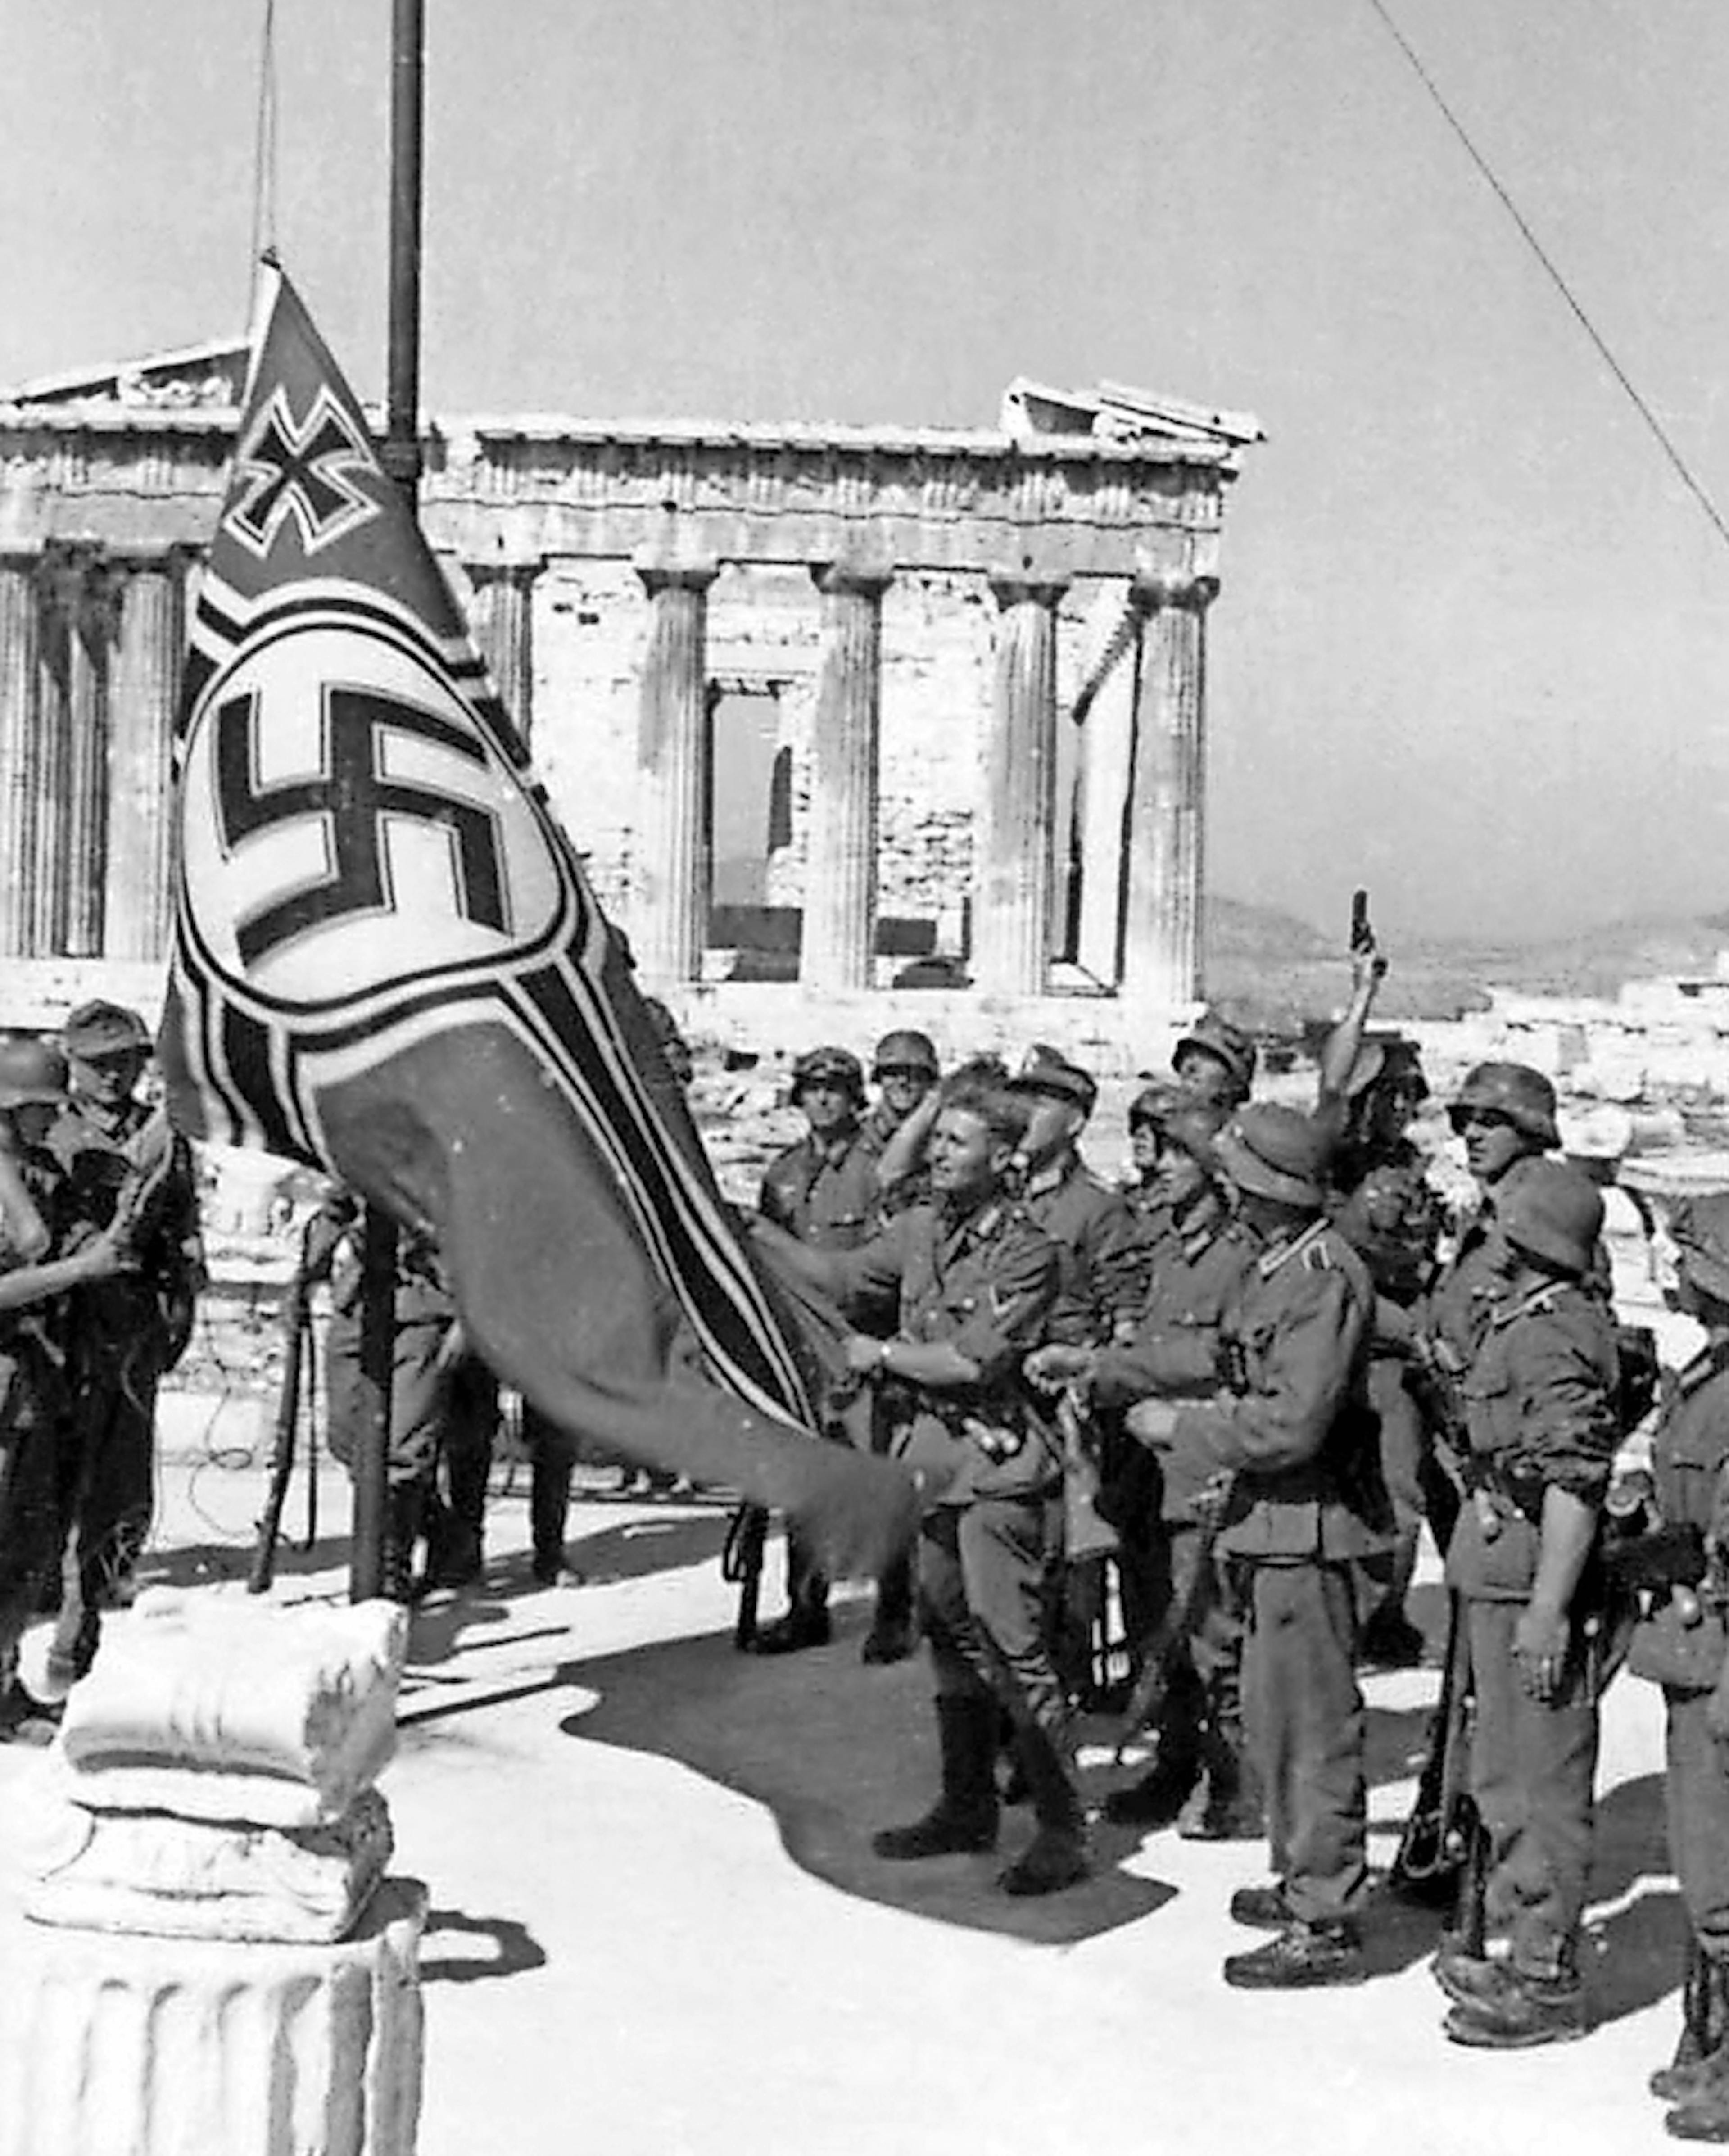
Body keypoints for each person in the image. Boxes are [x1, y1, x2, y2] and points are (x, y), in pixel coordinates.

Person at [753, 1078, 1086, 1895]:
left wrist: (883, 1357)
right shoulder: (919, 1229)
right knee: (948, 1640)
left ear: (1003, 1157)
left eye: (957, 1142)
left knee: (1015, 1649)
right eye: (936, 1140)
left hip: (1000, 1474)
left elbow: (976, 1359)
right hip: (932, 1465)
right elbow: (834, 1278)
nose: (938, 1152)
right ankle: (966, 1806)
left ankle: (1062, 1828)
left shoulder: (1027, 1248)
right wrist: (750, 1233)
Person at [1134, 1102, 1394, 1987]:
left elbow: (1292, 1426)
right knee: (1278, 1721)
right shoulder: (1278, 1264)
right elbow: (1228, 1356)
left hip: (1307, 1529)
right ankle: (1303, 1876)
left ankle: (1326, 1914)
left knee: (1312, 1726)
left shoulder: (1320, 1274)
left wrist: (1182, 1428)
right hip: (1272, 1527)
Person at [1027, 1093, 1263, 1838]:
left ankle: (1228, 1783)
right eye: (1144, 1147)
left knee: (1214, 1633)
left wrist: (1123, 1372)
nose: (1150, 1164)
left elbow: (1226, 1356)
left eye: (1169, 1151)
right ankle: (1175, 1762)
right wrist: (1094, 1363)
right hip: (1143, 1468)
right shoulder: (1153, 1239)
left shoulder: (1245, 1252)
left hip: (1206, 1465)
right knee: (1155, 1620)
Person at [1429, 1158, 1620, 2051]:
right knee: (1502, 1770)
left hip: (1532, 1579)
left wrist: (1550, 1610)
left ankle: (1546, 1977)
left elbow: (1577, 1481)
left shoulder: (1554, 1334)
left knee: (1540, 1781)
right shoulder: (1520, 1318)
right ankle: (1522, 1942)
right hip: (1498, 1568)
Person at [1617, 1197, 1729, 2132]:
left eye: (1685, 1257)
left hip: (1721, 1648)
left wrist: (1667, 1559)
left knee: (1724, 1861)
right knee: (1706, 1856)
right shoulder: (1707, 1372)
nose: (1672, 1271)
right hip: (1696, 1648)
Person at [47, 1001, 202, 1670]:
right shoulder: (43, 1126)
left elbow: (183, 1228)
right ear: (72, 1064)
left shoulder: (162, 1135)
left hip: (130, 1324)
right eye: (99, 1064)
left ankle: (94, 1605)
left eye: (128, 1062)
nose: (115, 1076)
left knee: (121, 1470)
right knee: (44, 1472)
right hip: (55, 1325)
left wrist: (183, 1306)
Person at [0, 1041, 134, 1738]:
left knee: (23, 1549)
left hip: (36, 1382)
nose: (53, 1125)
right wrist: (78, 1272)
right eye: (42, 1113)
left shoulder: (35, 1171)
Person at [752, 1046, 887, 1655]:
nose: (823, 1099)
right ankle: (805, 1607)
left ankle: (896, 1611)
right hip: (804, 1349)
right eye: (811, 1088)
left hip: (866, 1344)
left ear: (855, 1096)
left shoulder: (879, 1169)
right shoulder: (782, 1173)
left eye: (834, 1088)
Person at [302, 1191, 493, 1603]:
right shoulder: (360, 1135)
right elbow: (337, 1206)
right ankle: (450, 1538)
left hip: (425, 1304)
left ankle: (389, 1574)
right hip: (359, 1300)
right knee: (346, 1439)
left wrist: (467, 1317)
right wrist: (305, 1275)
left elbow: (482, 1233)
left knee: (402, 1449)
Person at [1171, 1009, 1258, 1112]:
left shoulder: (1250, 1125)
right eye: (1185, 1056)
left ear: (1233, 1084)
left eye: (1206, 1056)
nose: (1187, 1065)